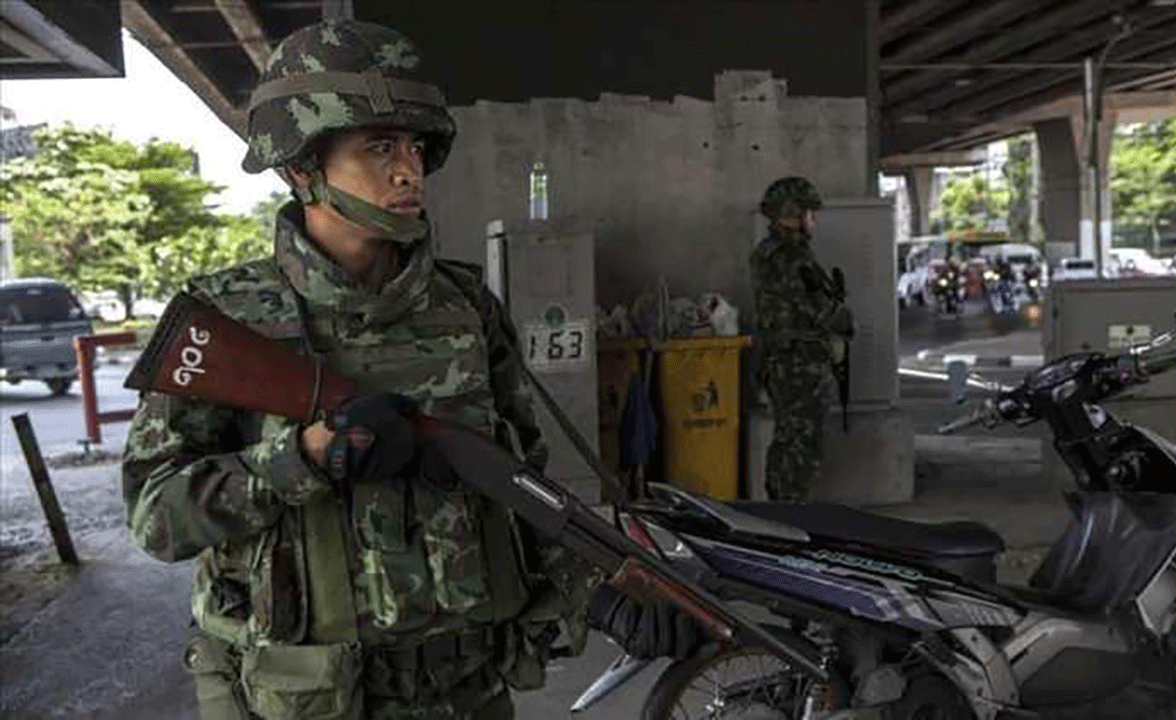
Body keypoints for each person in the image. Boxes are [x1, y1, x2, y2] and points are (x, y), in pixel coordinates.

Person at [122, 20, 697, 720]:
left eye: (416, 147)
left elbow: (516, 483)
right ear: (301, 165)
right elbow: (156, 518)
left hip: (466, 690)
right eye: (379, 148)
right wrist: (306, 458)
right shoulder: (225, 320)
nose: (409, 170)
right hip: (305, 696)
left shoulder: (466, 307)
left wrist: (601, 592)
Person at [750, 177, 854, 502]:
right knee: (802, 441)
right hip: (799, 362)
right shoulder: (791, 257)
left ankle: (783, 506)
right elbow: (817, 309)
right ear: (793, 213)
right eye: (810, 213)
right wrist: (844, 319)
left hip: (782, 358)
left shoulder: (769, 252)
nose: (814, 220)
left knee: (787, 437)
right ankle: (792, 510)